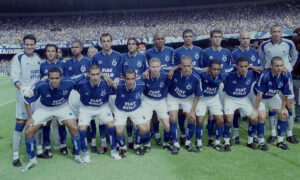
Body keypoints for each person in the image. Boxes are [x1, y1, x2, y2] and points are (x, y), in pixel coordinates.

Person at [22, 67, 87, 171]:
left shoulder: (69, 81)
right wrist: (30, 117)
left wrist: (103, 75)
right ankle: (32, 160)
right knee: (29, 130)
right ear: (47, 78)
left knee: (74, 127)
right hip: (45, 108)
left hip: (62, 107)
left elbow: (84, 74)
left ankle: (78, 156)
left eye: (57, 78)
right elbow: (26, 99)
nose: (54, 80)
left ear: (61, 77)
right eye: (51, 78)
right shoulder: (40, 85)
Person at [259, 24, 298, 144]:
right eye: (274, 31)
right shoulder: (264, 45)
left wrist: (289, 68)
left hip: (286, 77)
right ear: (270, 32)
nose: (276, 34)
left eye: (278, 31)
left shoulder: (289, 43)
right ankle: (273, 134)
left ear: (282, 32)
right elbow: (262, 60)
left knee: (287, 105)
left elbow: (294, 56)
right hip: (271, 78)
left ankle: (290, 134)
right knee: (273, 106)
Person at [75, 65, 121, 161]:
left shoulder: (107, 83)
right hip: (86, 108)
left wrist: (115, 82)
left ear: (101, 74)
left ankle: (113, 151)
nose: (95, 77)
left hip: (102, 107)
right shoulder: (81, 83)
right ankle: (86, 153)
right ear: (88, 74)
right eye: (92, 74)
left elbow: (118, 87)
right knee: (82, 130)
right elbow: (67, 82)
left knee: (112, 127)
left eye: (97, 74)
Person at [10, 34, 42, 167]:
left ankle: (39, 150)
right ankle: (15, 156)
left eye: (31, 44)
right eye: (26, 44)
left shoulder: (38, 58)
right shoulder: (18, 58)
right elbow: (14, 78)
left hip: (37, 95)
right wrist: (22, 88)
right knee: (21, 123)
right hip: (24, 95)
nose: (29, 47)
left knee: (38, 121)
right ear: (23, 45)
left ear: (35, 45)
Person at [251, 56, 291, 150]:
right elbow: (259, 96)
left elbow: (284, 95)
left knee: (284, 114)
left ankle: (280, 141)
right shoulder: (265, 75)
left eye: (281, 65)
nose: (279, 68)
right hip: (258, 96)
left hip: (272, 95)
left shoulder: (285, 76)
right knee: (262, 116)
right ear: (271, 66)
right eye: (277, 66)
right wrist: (256, 110)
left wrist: (283, 108)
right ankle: (261, 142)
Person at [92, 33, 122, 154]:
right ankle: (103, 143)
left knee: (115, 118)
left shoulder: (119, 56)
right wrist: (104, 75)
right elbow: (91, 74)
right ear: (100, 42)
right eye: (103, 41)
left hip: (115, 93)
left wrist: (118, 79)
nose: (106, 43)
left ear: (111, 41)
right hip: (101, 93)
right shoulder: (95, 57)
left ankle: (116, 142)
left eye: (108, 41)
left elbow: (122, 74)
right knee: (102, 119)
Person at [231, 31, 262, 144]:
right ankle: (235, 134)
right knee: (237, 111)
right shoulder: (234, 53)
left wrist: (253, 67)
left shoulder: (255, 52)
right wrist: (250, 67)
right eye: (243, 38)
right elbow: (232, 70)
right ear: (239, 39)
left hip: (252, 86)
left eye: (247, 38)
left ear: (250, 39)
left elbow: (259, 68)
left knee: (253, 111)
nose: (245, 40)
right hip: (239, 86)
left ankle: (252, 134)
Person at [202, 29, 232, 146]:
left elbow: (229, 69)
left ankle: (222, 134)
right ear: (211, 38)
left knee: (222, 111)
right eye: (215, 36)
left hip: (222, 84)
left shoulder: (227, 53)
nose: (217, 39)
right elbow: (203, 69)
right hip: (210, 85)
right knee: (211, 113)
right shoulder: (205, 52)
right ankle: (210, 136)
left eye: (219, 36)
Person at [173, 29, 203, 145]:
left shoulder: (199, 51)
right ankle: (182, 133)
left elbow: (203, 68)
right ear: (183, 37)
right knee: (180, 112)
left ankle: (189, 136)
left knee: (190, 114)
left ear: (193, 37)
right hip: (180, 83)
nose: (188, 38)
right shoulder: (177, 51)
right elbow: (175, 66)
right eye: (186, 36)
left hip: (193, 83)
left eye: (190, 36)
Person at [167, 56, 202, 154]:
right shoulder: (174, 73)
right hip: (173, 97)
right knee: (173, 117)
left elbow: (197, 96)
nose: (186, 68)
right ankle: (175, 144)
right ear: (180, 66)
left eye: (188, 66)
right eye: (184, 66)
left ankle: (188, 142)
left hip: (187, 98)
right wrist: (173, 69)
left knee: (192, 118)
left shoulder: (196, 77)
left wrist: (192, 110)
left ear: (192, 65)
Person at [223, 57, 258, 152]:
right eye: (241, 66)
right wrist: (232, 68)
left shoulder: (252, 73)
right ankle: (226, 142)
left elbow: (267, 70)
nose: (243, 69)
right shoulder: (230, 74)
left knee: (254, 118)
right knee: (229, 119)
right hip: (230, 98)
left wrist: (254, 67)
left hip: (244, 99)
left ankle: (250, 141)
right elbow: (221, 71)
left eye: (246, 66)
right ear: (236, 66)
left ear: (248, 66)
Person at [145, 31, 175, 146]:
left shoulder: (170, 50)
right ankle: (156, 133)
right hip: (153, 84)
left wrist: (172, 69)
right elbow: (145, 67)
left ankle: (170, 136)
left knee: (168, 114)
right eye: (158, 39)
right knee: (153, 114)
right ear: (154, 40)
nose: (160, 41)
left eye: (162, 38)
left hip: (166, 85)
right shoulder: (148, 53)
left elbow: (174, 65)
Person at [113, 69, 150, 157]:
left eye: (133, 79)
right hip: (120, 110)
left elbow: (154, 73)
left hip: (135, 109)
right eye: (128, 79)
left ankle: (137, 145)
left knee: (144, 129)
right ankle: (123, 147)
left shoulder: (141, 83)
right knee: (119, 131)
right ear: (124, 79)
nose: (130, 81)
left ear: (136, 78)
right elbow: (107, 82)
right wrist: (116, 79)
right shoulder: (118, 84)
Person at [64, 40, 92, 154]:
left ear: (81, 48)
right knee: (74, 120)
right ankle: (77, 142)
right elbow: (66, 80)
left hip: (86, 93)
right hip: (72, 93)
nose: (74, 49)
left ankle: (89, 142)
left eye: (77, 47)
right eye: (72, 47)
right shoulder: (67, 63)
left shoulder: (88, 61)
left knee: (86, 119)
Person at [39, 44, 66, 158]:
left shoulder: (62, 65)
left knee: (61, 122)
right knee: (47, 124)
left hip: (60, 99)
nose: (50, 53)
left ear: (56, 53)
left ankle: (63, 145)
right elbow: (40, 83)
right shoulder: (42, 65)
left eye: (53, 51)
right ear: (46, 53)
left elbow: (65, 81)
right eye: (48, 51)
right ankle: (47, 148)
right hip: (47, 100)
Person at [194, 60, 227, 152]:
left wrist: (250, 67)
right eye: (214, 69)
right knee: (200, 120)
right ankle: (199, 142)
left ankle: (217, 142)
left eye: (218, 69)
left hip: (213, 98)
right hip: (202, 99)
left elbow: (234, 67)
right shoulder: (203, 73)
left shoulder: (222, 75)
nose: (216, 71)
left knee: (220, 120)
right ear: (209, 69)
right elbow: (192, 68)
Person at [143, 58, 171, 151]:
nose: (155, 69)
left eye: (157, 67)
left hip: (161, 101)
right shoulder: (145, 75)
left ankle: (166, 143)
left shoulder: (165, 74)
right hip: (147, 101)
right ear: (149, 67)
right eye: (153, 67)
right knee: (146, 127)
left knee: (167, 125)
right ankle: (147, 144)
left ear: (161, 67)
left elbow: (178, 67)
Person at [292, 26, 300, 123]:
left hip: (297, 77)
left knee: (298, 97)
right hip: (290, 76)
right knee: (287, 97)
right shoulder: (292, 52)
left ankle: (298, 115)